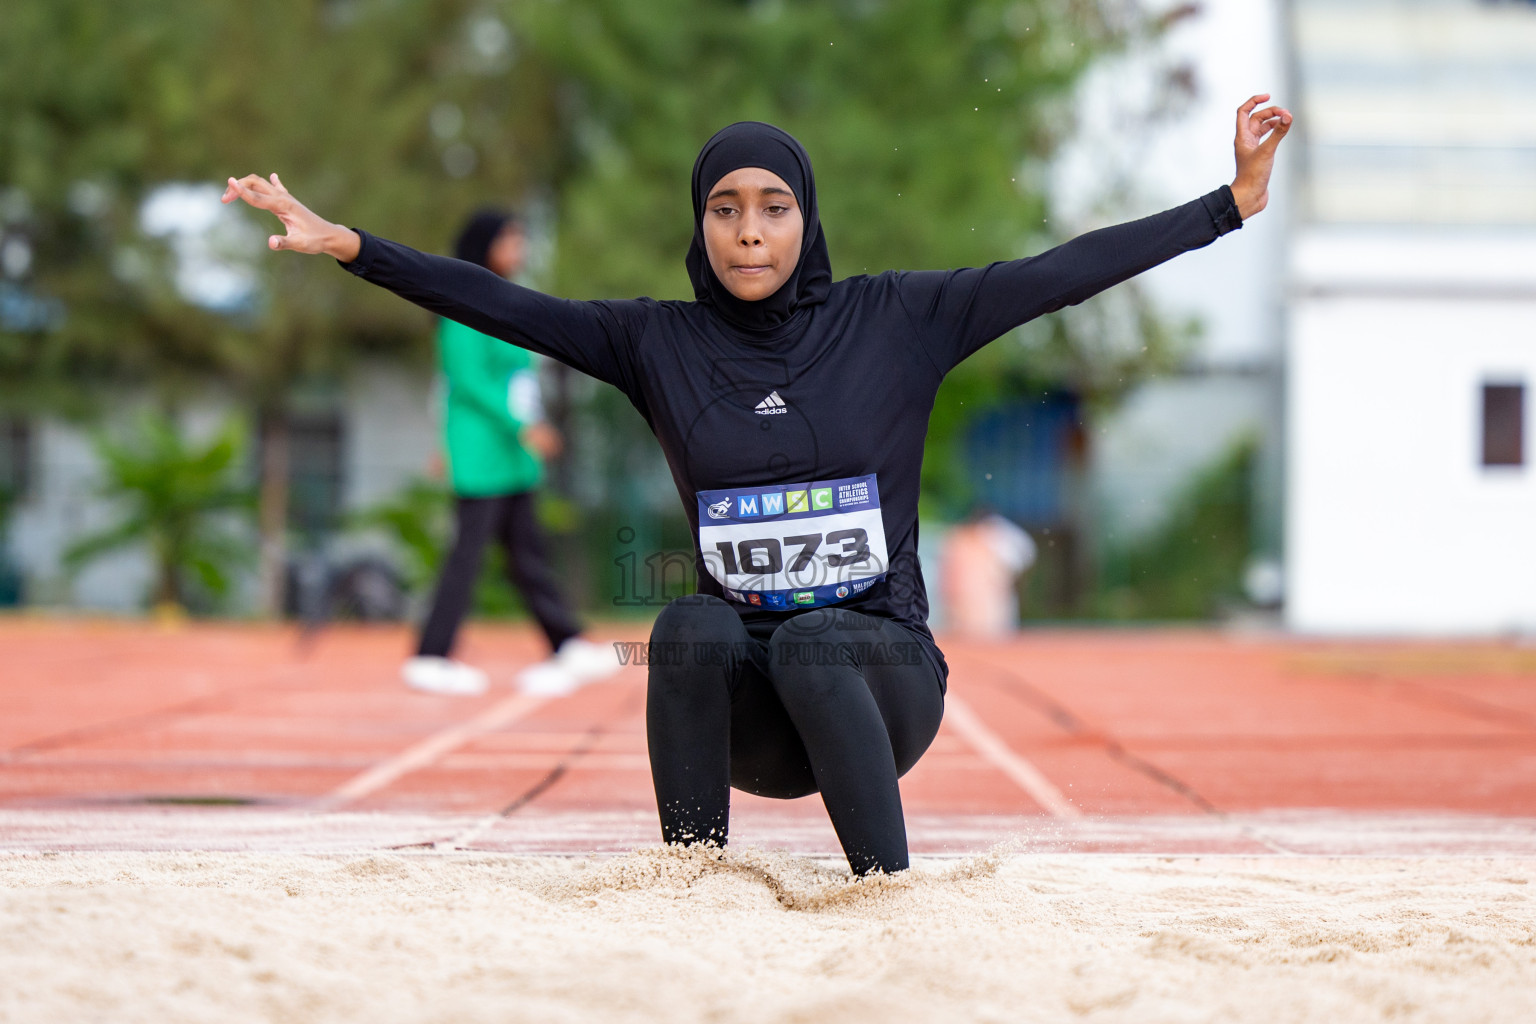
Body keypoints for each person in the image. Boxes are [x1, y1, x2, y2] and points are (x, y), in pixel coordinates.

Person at [223, 94, 1291, 874]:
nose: (747, 229)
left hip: (880, 685)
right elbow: (504, 306)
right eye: (725, 208)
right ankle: (693, 881)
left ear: (804, 218)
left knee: (826, 634)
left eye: (772, 207)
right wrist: (349, 245)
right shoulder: (656, 344)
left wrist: (1230, 204)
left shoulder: (899, 321)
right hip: (752, 716)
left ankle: (888, 890)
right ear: (699, 223)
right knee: (686, 624)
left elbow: (1061, 272)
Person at [399, 209, 617, 697]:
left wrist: (530, 425)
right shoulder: (461, 303)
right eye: (510, 240)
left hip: (512, 454)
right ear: (484, 246)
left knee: (527, 553)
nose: (520, 250)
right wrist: (523, 427)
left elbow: (515, 376)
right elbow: (468, 382)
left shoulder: (504, 301)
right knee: (468, 555)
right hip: (483, 450)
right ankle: (430, 655)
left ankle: (565, 641)